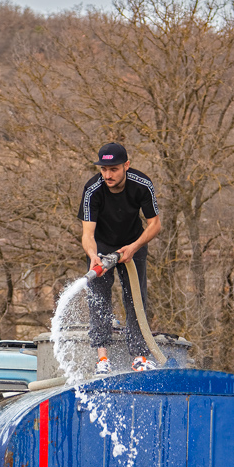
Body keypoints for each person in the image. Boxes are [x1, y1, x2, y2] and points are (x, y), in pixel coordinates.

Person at [80, 142, 162, 374]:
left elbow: (155, 225)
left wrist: (134, 247)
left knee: (135, 298)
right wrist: (93, 255)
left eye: (114, 169)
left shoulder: (142, 184)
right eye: (104, 169)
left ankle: (138, 356)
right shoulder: (92, 190)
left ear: (126, 165)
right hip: (102, 244)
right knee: (98, 297)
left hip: (133, 242)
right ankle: (102, 358)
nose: (108, 175)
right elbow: (87, 233)